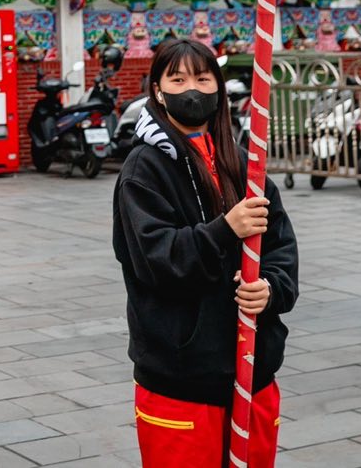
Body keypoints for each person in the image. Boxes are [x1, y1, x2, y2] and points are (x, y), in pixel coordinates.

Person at [114, 37, 296, 467]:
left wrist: (270, 290)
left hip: (253, 372)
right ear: (157, 90)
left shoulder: (243, 162)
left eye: (202, 77)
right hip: (182, 382)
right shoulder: (143, 171)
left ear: (218, 86)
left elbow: (281, 248)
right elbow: (157, 259)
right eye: (176, 79)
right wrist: (224, 229)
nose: (191, 89)